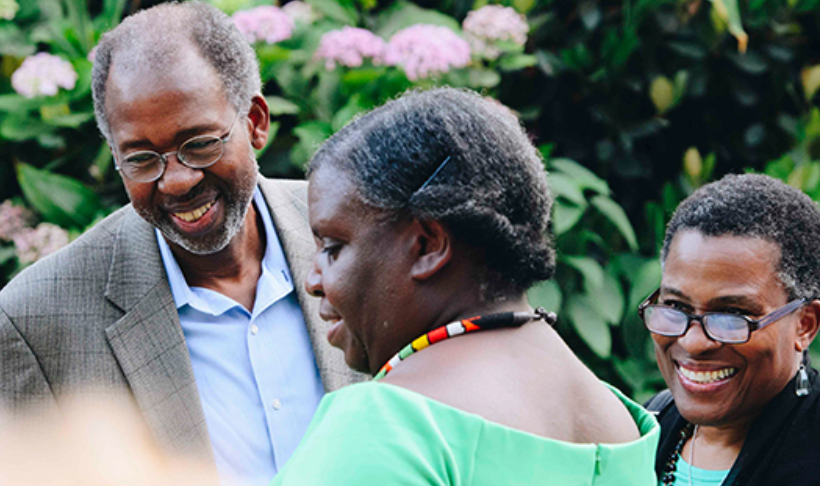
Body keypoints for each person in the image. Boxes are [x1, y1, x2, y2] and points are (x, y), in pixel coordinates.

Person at [0, 3, 362, 486]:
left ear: (255, 121)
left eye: (199, 144)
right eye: (141, 159)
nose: (176, 181)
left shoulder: (363, 235)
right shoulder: (35, 321)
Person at [270, 87, 660, 485]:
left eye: (333, 248)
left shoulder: (385, 426)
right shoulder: (619, 422)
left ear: (428, 245)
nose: (313, 280)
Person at [640, 174, 820, 486]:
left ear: (805, 324)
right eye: (676, 306)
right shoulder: (644, 432)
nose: (693, 342)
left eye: (732, 315)